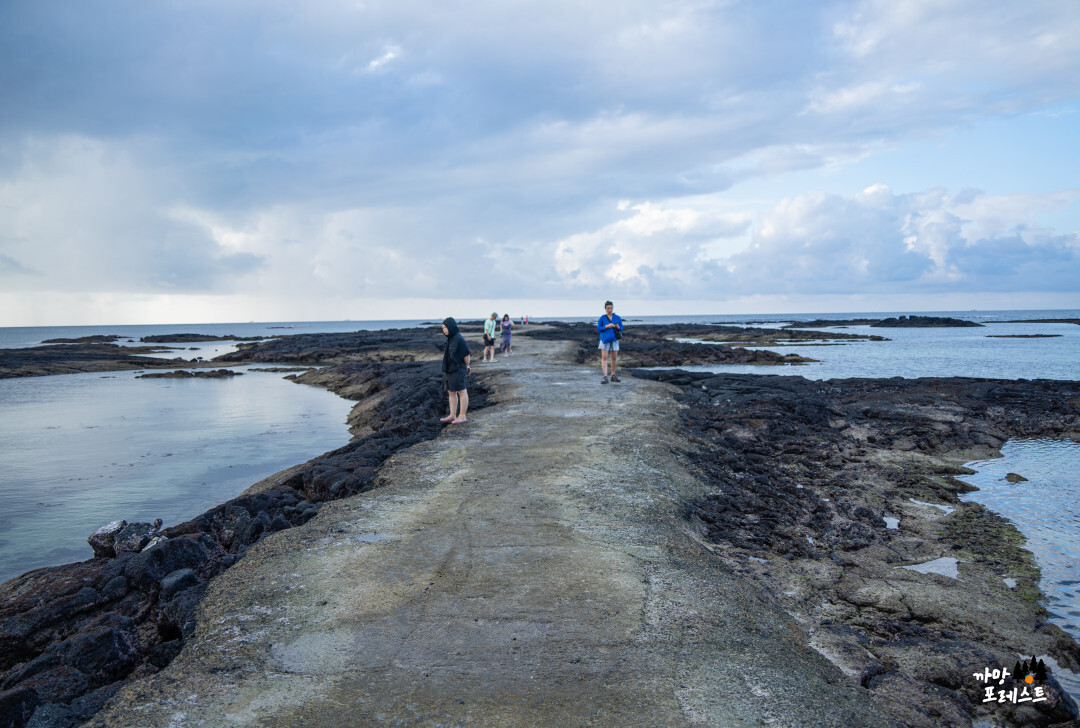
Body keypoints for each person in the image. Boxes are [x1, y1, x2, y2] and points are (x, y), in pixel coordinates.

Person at [439, 317, 471, 424]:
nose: (444, 330)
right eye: (443, 328)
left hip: (458, 369)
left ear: (451, 327)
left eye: (446, 328)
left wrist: (467, 366)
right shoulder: (451, 338)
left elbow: (466, 354)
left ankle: (462, 416)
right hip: (450, 370)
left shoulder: (458, 338)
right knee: (451, 392)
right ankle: (452, 415)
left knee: (461, 391)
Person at [597, 300, 623, 384]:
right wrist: (607, 326)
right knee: (604, 358)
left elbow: (622, 328)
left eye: (611, 308)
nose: (610, 310)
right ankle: (605, 376)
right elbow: (598, 329)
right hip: (605, 340)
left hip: (614, 340)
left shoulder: (617, 317)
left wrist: (618, 327)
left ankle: (613, 375)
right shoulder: (602, 318)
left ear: (613, 308)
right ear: (605, 309)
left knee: (614, 358)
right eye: (608, 308)